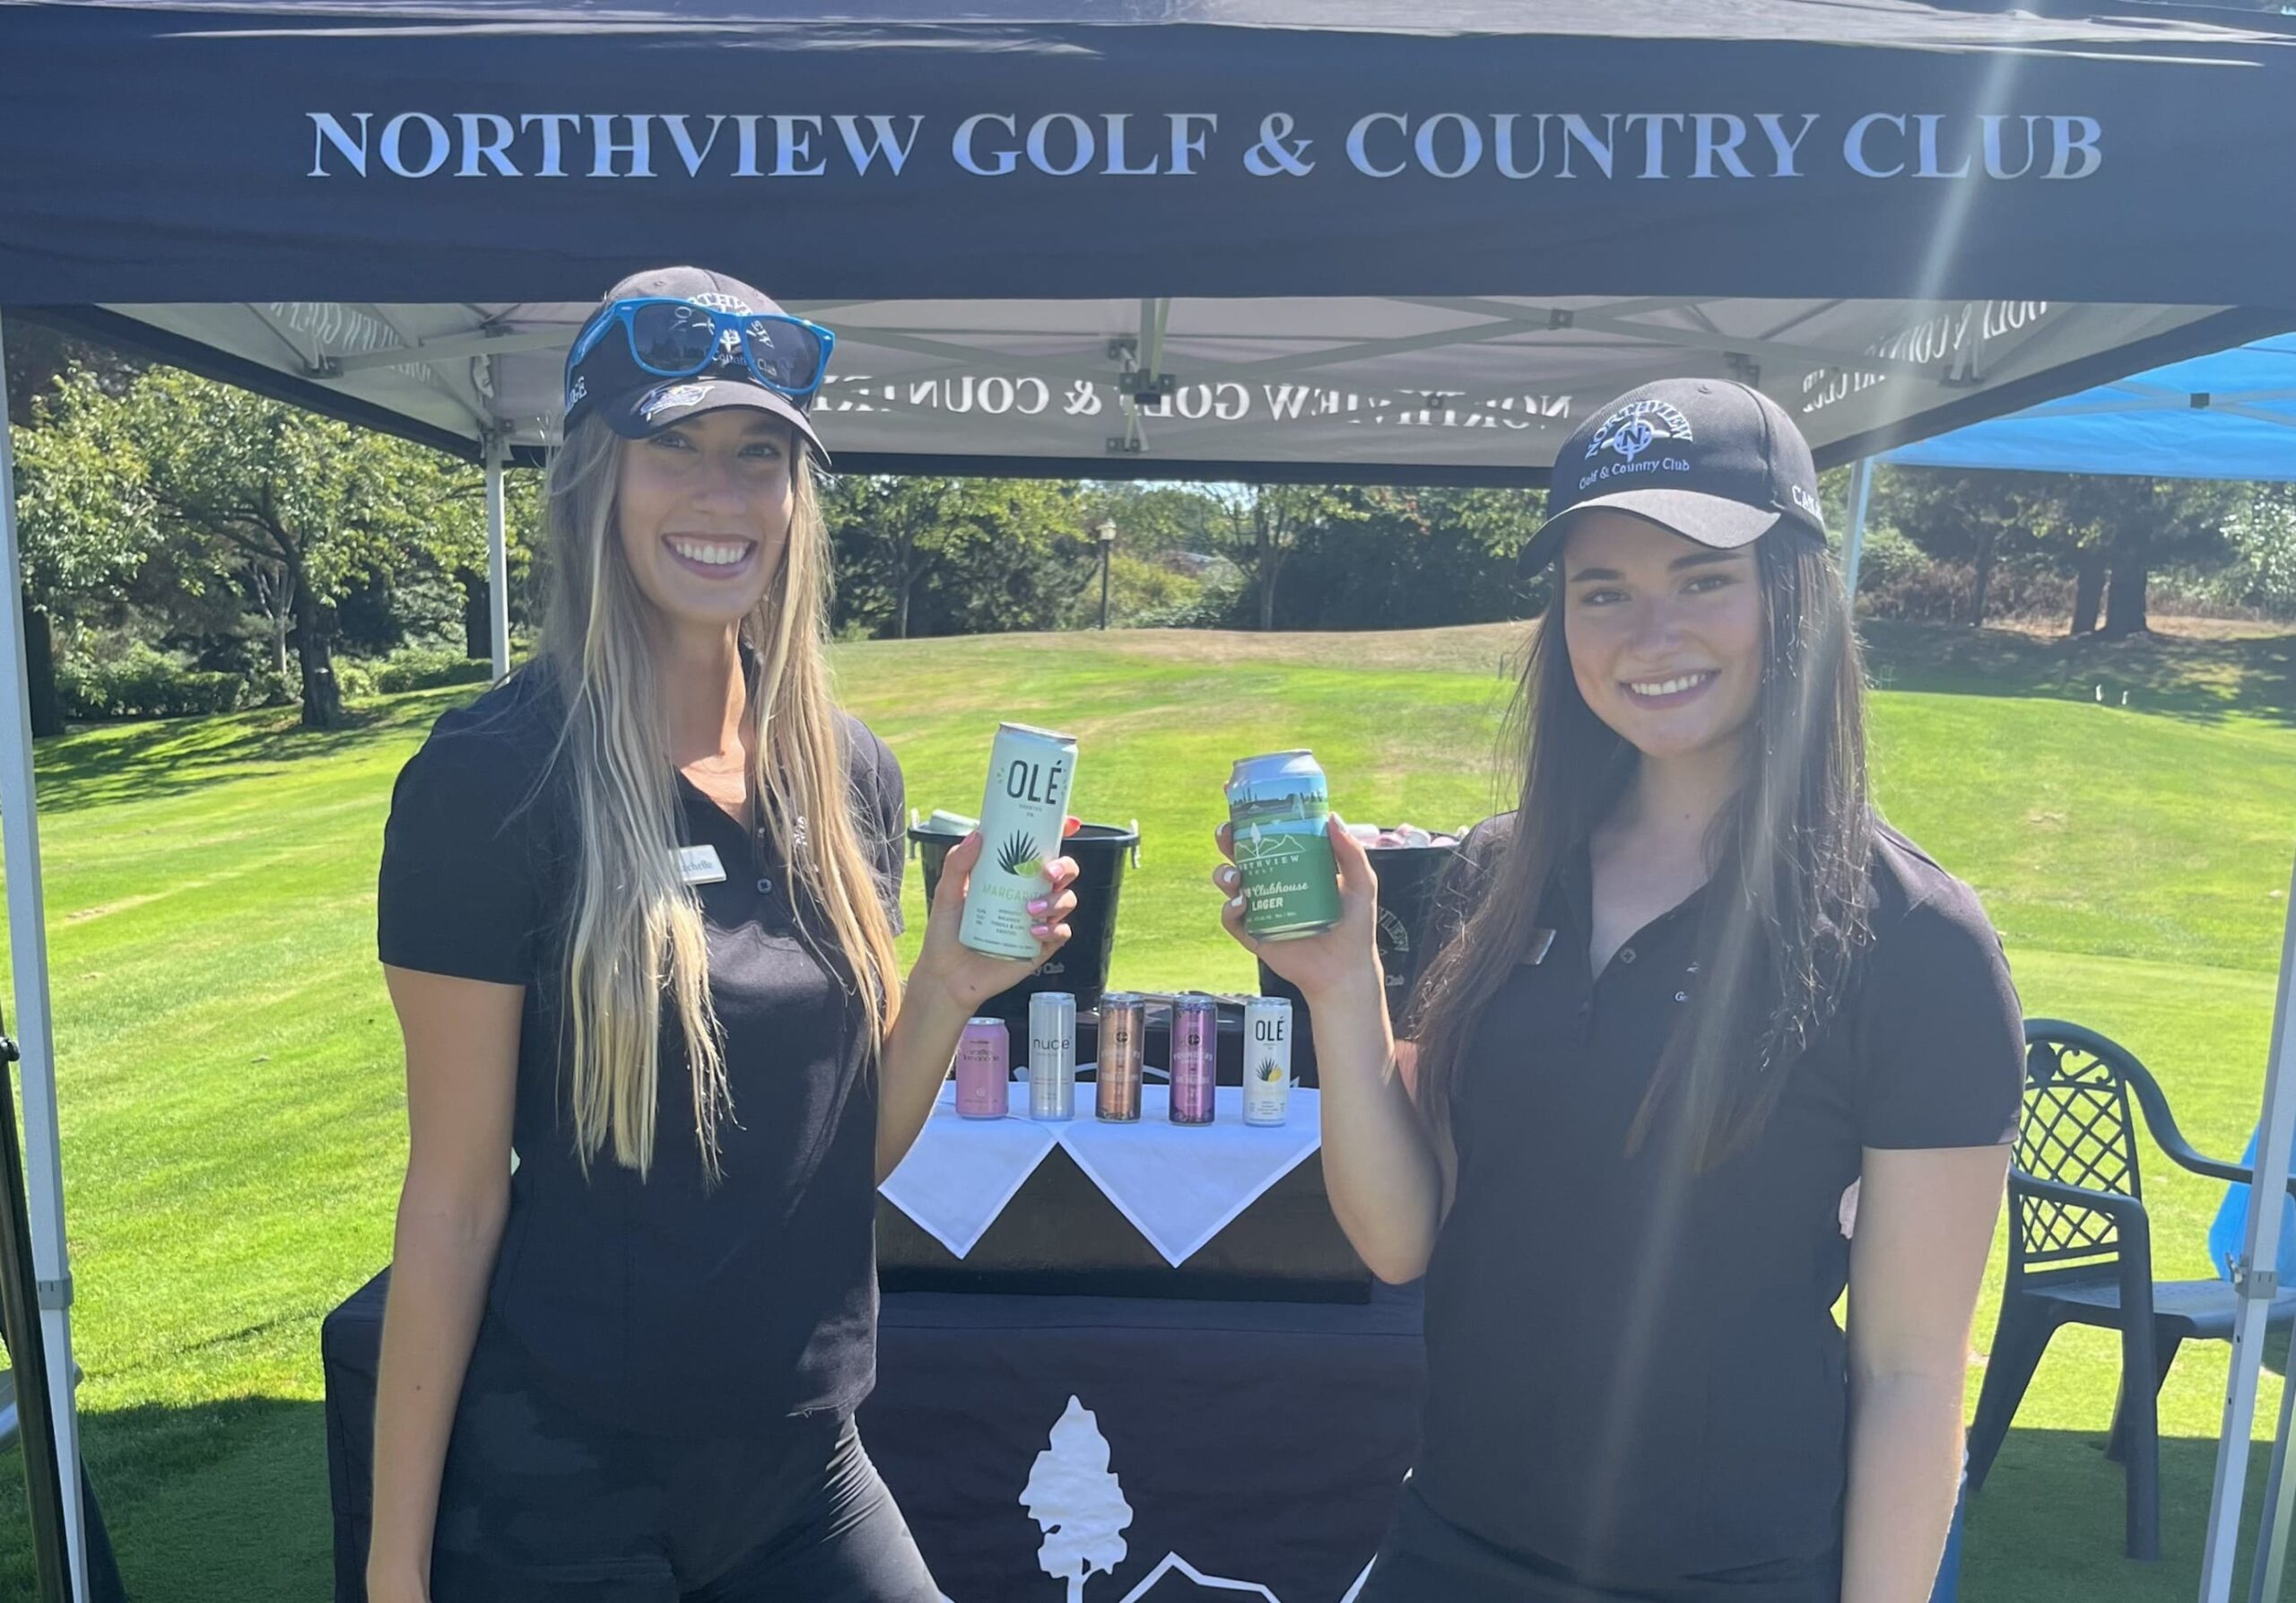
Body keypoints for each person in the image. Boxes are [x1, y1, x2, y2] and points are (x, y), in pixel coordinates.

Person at [1217, 379, 2022, 1603]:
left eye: (1703, 578)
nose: (1650, 635)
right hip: (1453, 1546)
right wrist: (1338, 992)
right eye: (1603, 592)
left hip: (1730, 1573)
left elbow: (1913, 1373)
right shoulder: (1500, 872)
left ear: (1792, 591)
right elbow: (1403, 1233)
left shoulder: (1912, 939)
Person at [366, 266, 1077, 1603]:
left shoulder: (844, 772)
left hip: (802, 1469)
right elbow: (455, 1199)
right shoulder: (489, 782)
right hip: (562, 1480)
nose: (723, 495)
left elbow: (835, 1159)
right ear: (594, 478)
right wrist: (395, 1574)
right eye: (676, 448)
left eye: (761, 457)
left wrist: (945, 986)